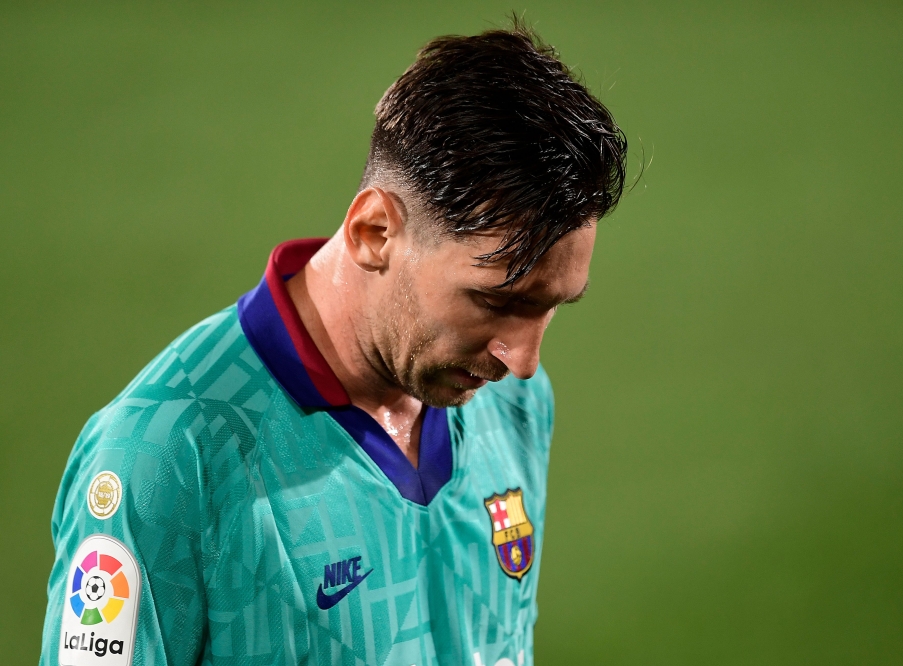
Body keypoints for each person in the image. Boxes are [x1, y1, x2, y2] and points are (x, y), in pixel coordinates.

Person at [40, 19, 626, 666]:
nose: (524, 361)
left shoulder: (510, 401)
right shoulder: (166, 455)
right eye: (496, 302)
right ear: (374, 230)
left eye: (551, 308)